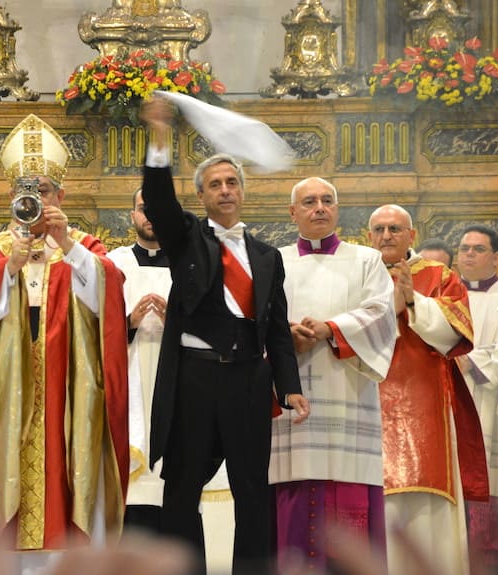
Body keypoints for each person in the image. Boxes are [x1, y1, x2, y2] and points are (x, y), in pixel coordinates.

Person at [139, 97, 309, 575]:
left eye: (232, 181)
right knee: (182, 489)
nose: (226, 189)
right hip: (194, 379)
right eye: (215, 184)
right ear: (203, 196)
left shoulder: (267, 256)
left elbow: (276, 329)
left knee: (253, 489)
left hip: (249, 382)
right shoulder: (186, 238)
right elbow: (158, 201)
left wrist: (289, 387)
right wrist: (159, 138)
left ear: (243, 190)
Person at [0, 114, 130, 571]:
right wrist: (5, 270)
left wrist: (66, 243)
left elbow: (108, 295)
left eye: (44, 191)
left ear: (61, 196)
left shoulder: (83, 245)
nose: (34, 200)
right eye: (24, 193)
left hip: (70, 390)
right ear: (12, 199)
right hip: (9, 394)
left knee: (73, 476)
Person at [271, 177, 397, 571]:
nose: (319, 208)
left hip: (348, 399)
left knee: (348, 495)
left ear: (338, 210)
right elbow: (254, 318)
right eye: (309, 202)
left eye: (327, 201)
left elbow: (381, 314)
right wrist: (285, 336)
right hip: (290, 404)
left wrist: (330, 329)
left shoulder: (366, 260)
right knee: (291, 492)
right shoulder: (274, 261)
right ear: (293, 213)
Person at [367, 204, 488, 575]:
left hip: (426, 403)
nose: (386, 235)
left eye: (395, 228)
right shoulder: (359, 272)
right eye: (379, 229)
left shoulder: (440, 275)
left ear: (412, 235)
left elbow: (459, 332)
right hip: (368, 399)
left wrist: (414, 301)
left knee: (428, 503)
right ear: (368, 235)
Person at [107, 188, 171, 534]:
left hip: (174, 376)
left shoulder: (191, 264)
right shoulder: (114, 263)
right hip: (128, 377)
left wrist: (175, 322)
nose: (151, 216)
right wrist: (126, 323)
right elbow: (93, 327)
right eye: (144, 209)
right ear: (132, 215)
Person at [455, 224, 498, 574]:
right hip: (453, 404)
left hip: (492, 405)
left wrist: (468, 360)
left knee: (491, 498)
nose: (469, 255)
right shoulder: (443, 294)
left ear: (496, 257)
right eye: (464, 248)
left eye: (478, 249)